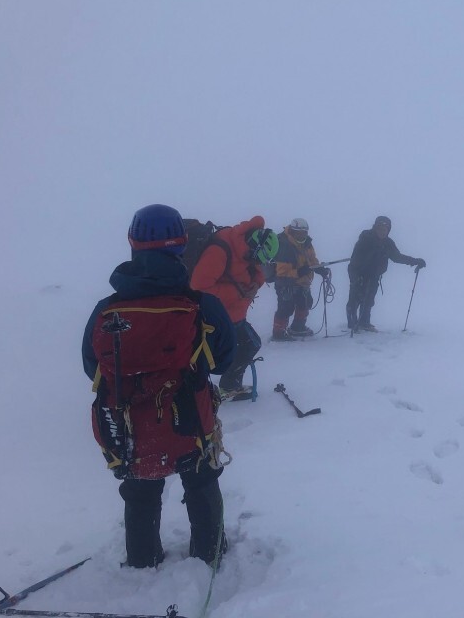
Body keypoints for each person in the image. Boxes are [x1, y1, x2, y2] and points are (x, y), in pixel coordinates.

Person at [82, 204, 236, 568]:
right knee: (200, 479)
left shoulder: (107, 310)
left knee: (140, 489)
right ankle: (209, 552)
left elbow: (93, 368)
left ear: (133, 243)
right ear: (181, 246)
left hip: (131, 425)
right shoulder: (201, 306)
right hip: (189, 419)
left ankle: (142, 558)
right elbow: (225, 359)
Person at [190, 215, 279, 399]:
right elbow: (199, 288)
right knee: (246, 345)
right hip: (217, 315)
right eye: (258, 257)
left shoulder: (247, 247)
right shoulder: (219, 251)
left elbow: (256, 270)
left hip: (233, 313)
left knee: (249, 344)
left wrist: (255, 283)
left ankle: (228, 385)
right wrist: (239, 292)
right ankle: (220, 387)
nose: (258, 261)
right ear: (255, 246)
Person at [346, 215, 426, 331]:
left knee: (369, 299)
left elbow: (397, 257)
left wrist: (415, 261)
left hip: (374, 275)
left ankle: (364, 322)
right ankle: (352, 322)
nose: (382, 231)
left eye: (385, 229)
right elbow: (355, 260)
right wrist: (355, 277)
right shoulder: (365, 239)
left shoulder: (388, 243)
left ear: (388, 230)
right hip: (359, 273)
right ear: (375, 228)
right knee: (356, 297)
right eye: (380, 228)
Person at [266, 218, 330, 341]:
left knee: (305, 303)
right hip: (285, 283)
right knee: (286, 307)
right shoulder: (283, 244)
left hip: (302, 281)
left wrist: (319, 269)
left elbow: (312, 260)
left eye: (304, 232)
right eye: (299, 232)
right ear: (293, 231)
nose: (302, 235)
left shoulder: (307, 243)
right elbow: (281, 271)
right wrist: (299, 272)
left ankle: (298, 327)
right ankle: (278, 333)